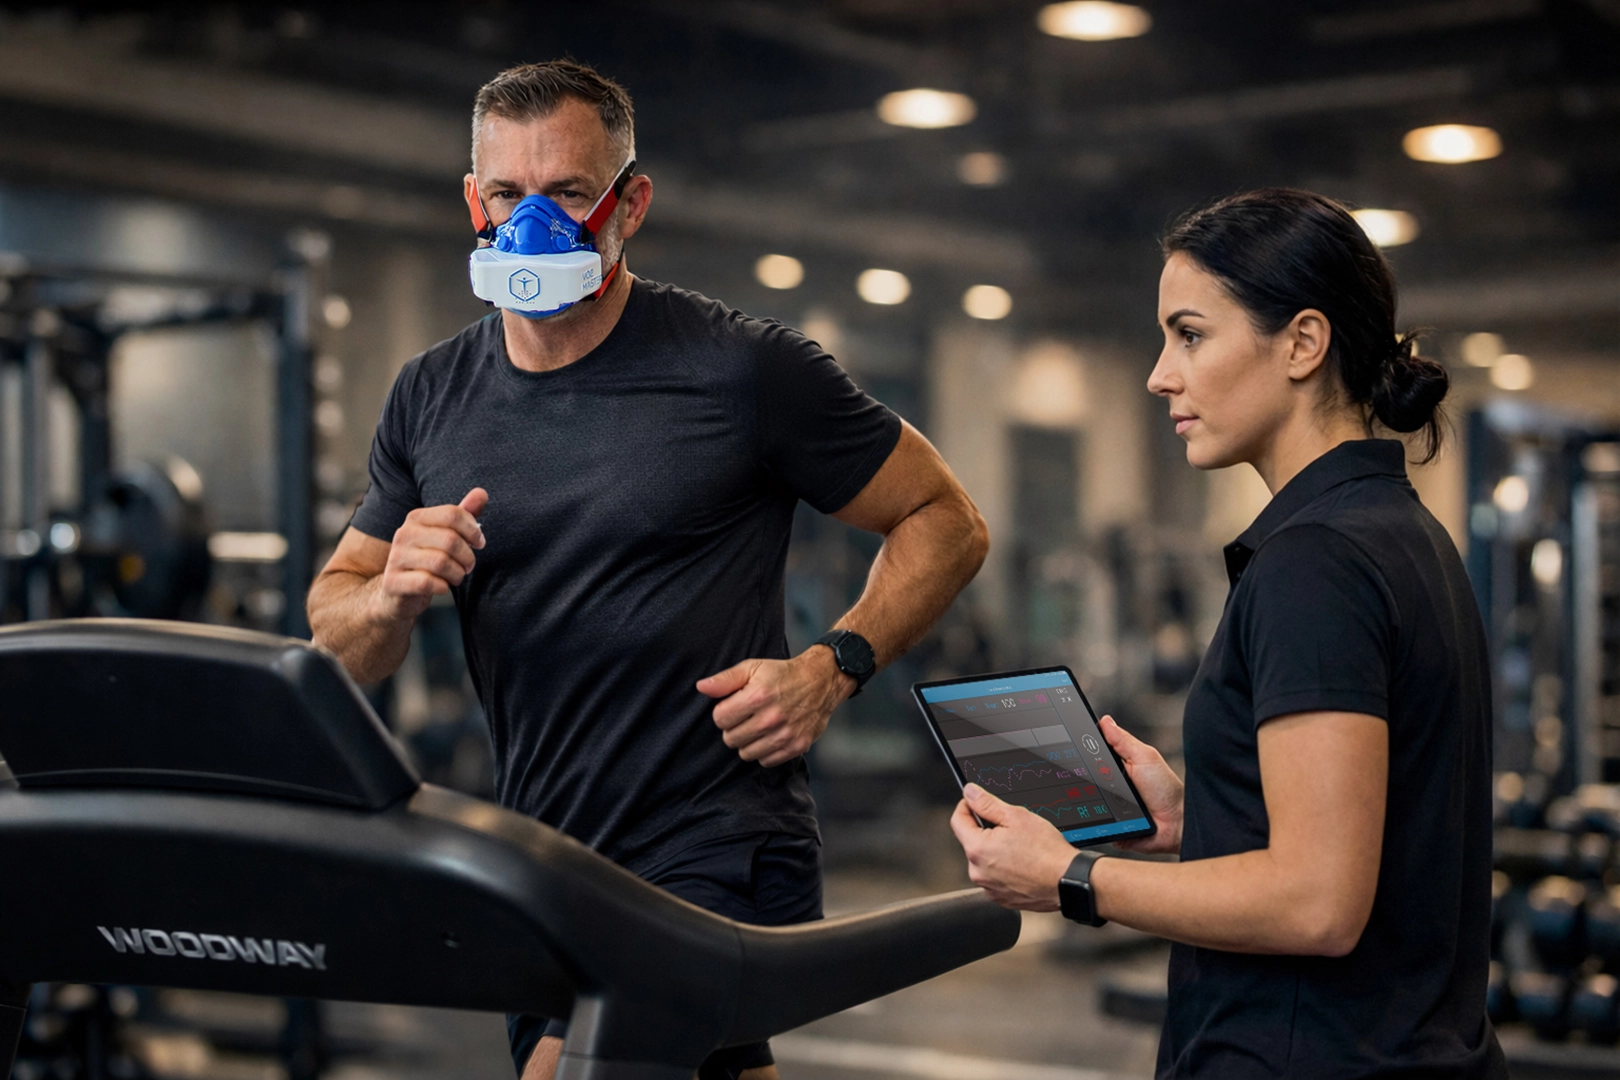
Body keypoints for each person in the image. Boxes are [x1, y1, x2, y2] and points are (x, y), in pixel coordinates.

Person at [306, 60, 989, 1080]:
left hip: (714, 836)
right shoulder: (430, 395)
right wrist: (393, 592)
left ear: (630, 203)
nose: (533, 223)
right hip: (543, 852)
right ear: (473, 202)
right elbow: (334, 637)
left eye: (570, 194)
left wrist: (833, 664)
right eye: (507, 195)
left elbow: (947, 517)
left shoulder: (743, 370)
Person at [951, 188, 1506, 1078]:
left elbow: (1320, 904)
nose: (1159, 373)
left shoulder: (1315, 563)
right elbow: (1377, 833)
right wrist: (1195, 818)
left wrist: (1072, 877)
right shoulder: (1404, 536)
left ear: (1302, 343)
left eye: (1191, 334)